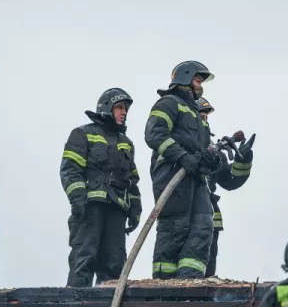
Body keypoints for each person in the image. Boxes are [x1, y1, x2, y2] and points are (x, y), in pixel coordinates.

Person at [60, 88, 142, 287]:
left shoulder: (126, 143)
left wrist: (135, 209)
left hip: (116, 210)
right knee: (84, 257)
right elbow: (70, 169)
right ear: (107, 107)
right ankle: (76, 306)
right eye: (120, 107)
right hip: (90, 207)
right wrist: (78, 199)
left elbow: (132, 180)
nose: (124, 112)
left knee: (114, 264)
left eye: (126, 109)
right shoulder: (82, 134)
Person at [144, 60, 217, 279]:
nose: (200, 84)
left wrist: (210, 162)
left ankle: (189, 283)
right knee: (175, 230)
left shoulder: (197, 114)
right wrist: (182, 156)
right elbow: (154, 135)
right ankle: (163, 290)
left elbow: (203, 150)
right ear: (184, 77)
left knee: (203, 227)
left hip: (196, 180)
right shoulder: (168, 103)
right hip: (172, 177)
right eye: (197, 78)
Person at [195, 97, 253, 278]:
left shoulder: (215, 151)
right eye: (200, 116)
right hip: (185, 213)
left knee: (208, 267)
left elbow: (230, 181)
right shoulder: (181, 145)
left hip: (210, 216)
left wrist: (243, 159)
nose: (204, 120)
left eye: (206, 116)